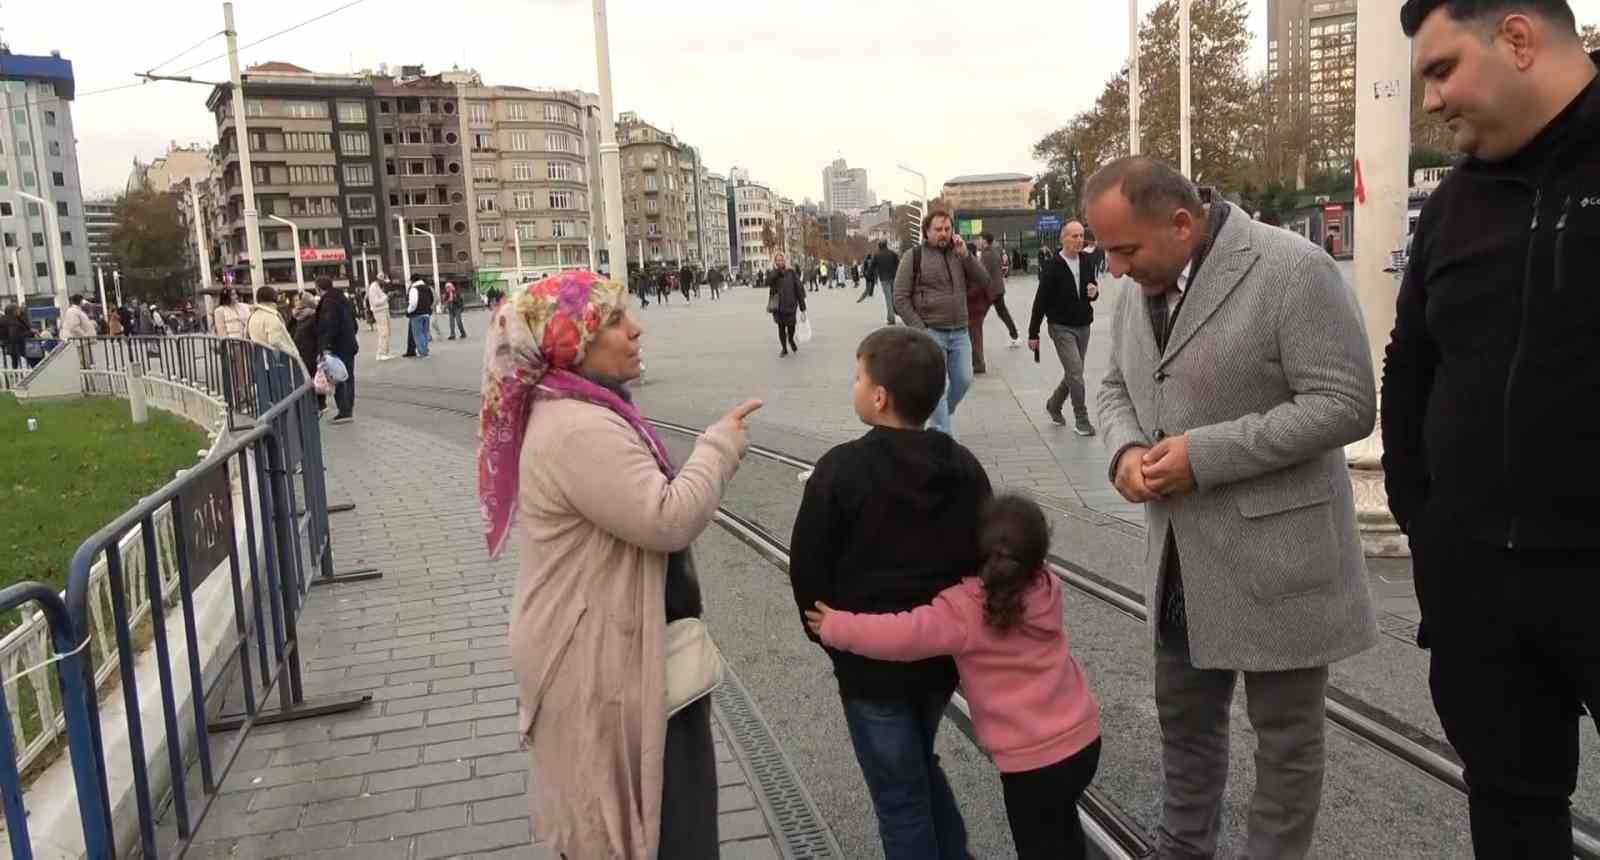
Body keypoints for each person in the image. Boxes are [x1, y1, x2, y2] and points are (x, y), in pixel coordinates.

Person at [1091, 156, 1378, 859]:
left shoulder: (1292, 270)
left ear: (1182, 223)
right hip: (1180, 564)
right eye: (1107, 252)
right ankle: (1182, 849)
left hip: (1280, 561)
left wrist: (1206, 455)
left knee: (1285, 742)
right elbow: (1111, 387)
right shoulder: (1135, 285)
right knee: (1184, 727)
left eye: (1125, 249)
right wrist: (1126, 451)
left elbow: (1347, 404)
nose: (1116, 269)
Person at [1386, 2, 1600, 855]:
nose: (1431, 102)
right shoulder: (1453, 205)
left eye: (1441, 70)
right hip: (1480, 589)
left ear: (1517, 38)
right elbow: (1413, 361)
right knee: (1511, 812)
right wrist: (1425, 520)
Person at [482, 270, 760, 859]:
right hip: (596, 658)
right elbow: (666, 517)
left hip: (617, 649)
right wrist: (719, 446)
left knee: (656, 817)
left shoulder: (584, 407)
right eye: (612, 320)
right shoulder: (578, 427)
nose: (635, 330)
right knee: (650, 829)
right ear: (569, 339)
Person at [788, 326, 992, 860]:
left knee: (898, 797)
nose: (853, 386)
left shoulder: (839, 469)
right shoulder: (962, 465)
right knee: (918, 763)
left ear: (879, 397)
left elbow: (807, 566)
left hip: (868, 667)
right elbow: (985, 553)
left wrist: (834, 638)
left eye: (858, 377)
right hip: (937, 659)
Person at [807, 494, 1102, 860]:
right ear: (1038, 557)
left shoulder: (965, 610)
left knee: (1041, 845)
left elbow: (902, 635)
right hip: (1084, 742)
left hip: (1032, 764)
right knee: (1062, 828)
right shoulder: (1047, 587)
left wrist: (838, 626)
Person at [892, 211, 989, 436]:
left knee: (964, 380)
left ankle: (940, 416)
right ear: (927, 231)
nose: (943, 234)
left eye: (947, 229)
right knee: (939, 388)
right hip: (931, 331)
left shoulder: (960, 254)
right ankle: (943, 438)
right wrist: (920, 328)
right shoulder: (913, 256)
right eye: (938, 229)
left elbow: (984, 280)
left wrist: (966, 255)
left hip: (960, 332)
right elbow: (900, 298)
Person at [1029, 222, 1101, 434]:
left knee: (1073, 372)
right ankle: (1081, 419)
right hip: (1060, 327)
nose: (1079, 240)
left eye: (1081, 236)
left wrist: (1094, 292)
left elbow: (1093, 290)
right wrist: (1033, 333)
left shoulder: (1086, 261)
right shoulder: (1053, 265)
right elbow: (1040, 301)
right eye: (1074, 236)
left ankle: (1054, 404)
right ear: (1064, 239)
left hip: (1084, 325)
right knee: (1076, 373)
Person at [316, 276, 360, 423]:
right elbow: (354, 322)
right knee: (348, 376)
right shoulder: (342, 299)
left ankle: (344, 411)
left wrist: (326, 346)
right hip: (348, 344)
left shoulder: (328, 302)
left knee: (338, 376)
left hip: (337, 346)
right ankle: (348, 408)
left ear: (318, 288)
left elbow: (329, 325)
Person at [246, 286, 307, 373]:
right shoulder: (271, 317)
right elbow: (275, 341)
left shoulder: (253, 315)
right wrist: (293, 354)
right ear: (273, 297)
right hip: (275, 363)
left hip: (260, 361)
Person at [977, 233, 1020, 349]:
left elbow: (982, 274)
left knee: (977, 315)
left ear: (985, 241)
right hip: (998, 288)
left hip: (991, 290)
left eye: (979, 239)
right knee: (1002, 313)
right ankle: (1015, 336)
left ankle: (971, 339)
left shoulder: (986, 254)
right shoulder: (994, 251)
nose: (978, 241)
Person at [290, 292, 325, 414]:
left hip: (311, 352)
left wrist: (320, 352)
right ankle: (309, 403)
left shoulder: (313, 316)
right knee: (302, 378)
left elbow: (319, 335)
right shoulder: (295, 317)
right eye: (295, 300)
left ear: (305, 302)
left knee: (313, 377)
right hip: (298, 353)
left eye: (298, 300)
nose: (296, 303)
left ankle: (320, 404)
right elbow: (289, 331)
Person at [767, 252, 806, 357]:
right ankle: (784, 348)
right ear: (775, 262)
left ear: (785, 261)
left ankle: (791, 339)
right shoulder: (773, 273)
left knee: (791, 326)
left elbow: (799, 289)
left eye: (781, 260)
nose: (780, 262)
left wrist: (803, 309)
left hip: (791, 305)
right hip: (778, 307)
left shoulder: (791, 272)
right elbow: (768, 282)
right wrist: (775, 271)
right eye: (777, 260)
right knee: (781, 328)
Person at [62, 294, 98, 369]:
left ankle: (88, 379)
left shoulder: (78, 311)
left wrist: (90, 324)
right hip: (81, 342)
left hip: (84, 342)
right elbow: (74, 327)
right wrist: (85, 336)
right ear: (81, 301)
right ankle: (86, 380)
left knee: (88, 363)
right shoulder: (73, 311)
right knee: (85, 363)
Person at [873, 240, 900, 325]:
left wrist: (870, 276)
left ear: (879, 246)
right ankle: (895, 310)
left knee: (888, 298)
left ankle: (891, 318)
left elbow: (872, 266)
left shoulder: (877, 255)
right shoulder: (893, 254)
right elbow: (899, 265)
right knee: (894, 296)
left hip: (884, 279)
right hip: (894, 278)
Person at [367, 275, 393, 361]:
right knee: (383, 332)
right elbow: (375, 302)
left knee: (387, 332)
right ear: (380, 280)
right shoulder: (373, 288)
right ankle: (381, 353)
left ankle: (386, 352)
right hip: (379, 311)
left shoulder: (379, 287)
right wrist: (386, 297)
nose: (385, 284)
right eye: (384, 282)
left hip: (384, 310)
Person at [406, 278, 434, 358]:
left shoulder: (414, 289)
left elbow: (413, 303)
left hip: (417, 314)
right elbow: (431, 300)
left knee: (418, 334)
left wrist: (408, 311)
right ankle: (425, 350)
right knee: (424, 333)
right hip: (427, 314)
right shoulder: (428, 288)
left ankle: (423, 352)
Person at [2, 304, 31, 370]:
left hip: (9, 348)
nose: (19, 311)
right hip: (15, 347)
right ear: (14, 311)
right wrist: (30, 333)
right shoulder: (12, 321)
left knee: (14, 364)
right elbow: (15, 336)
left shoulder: (5, 319)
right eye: (18, 309)